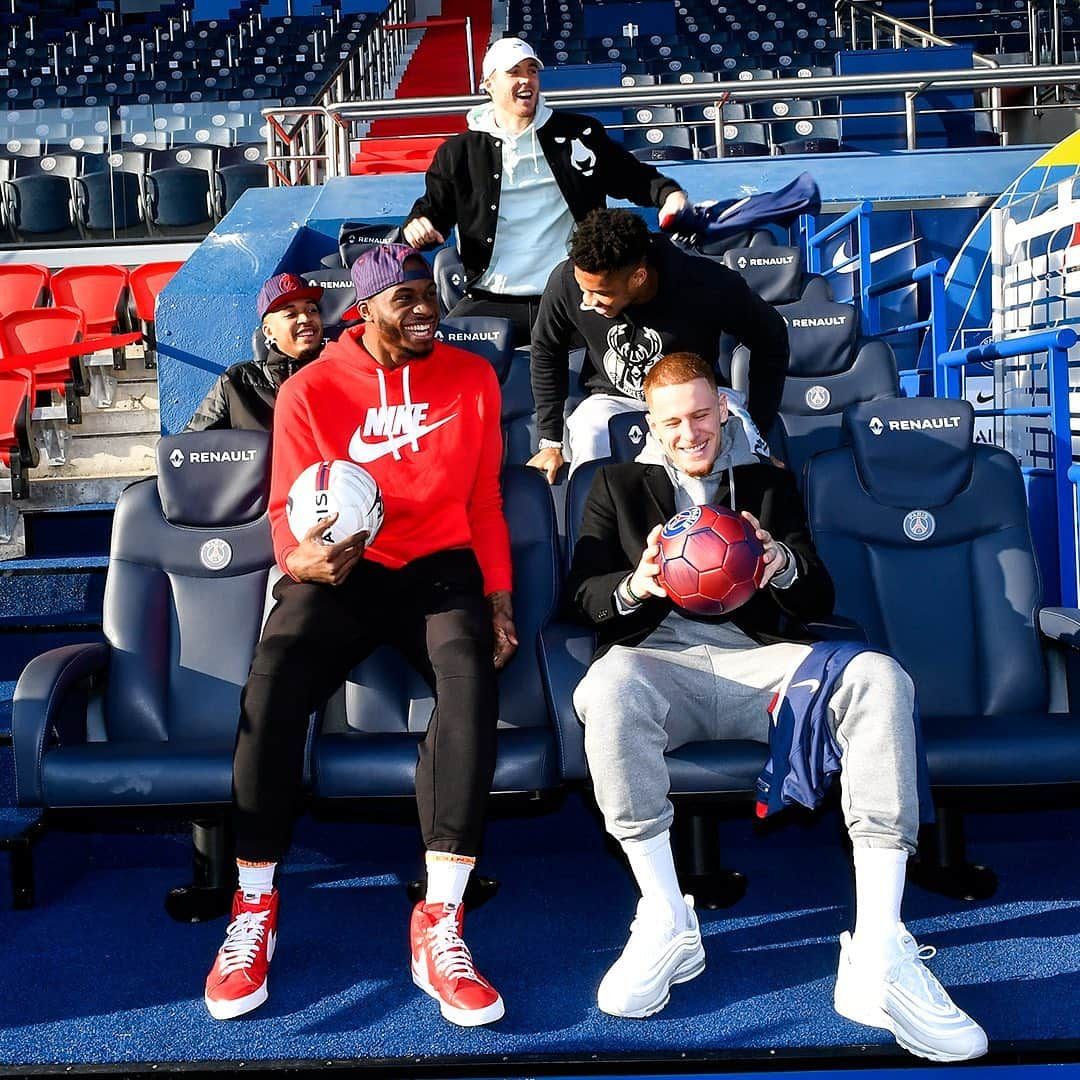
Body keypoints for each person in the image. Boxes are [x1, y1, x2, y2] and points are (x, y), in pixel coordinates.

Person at [564, 351, 988, 1062]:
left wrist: (782, 564)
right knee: (604, 687)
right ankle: (668, 918)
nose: (689, 431)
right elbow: (580, 595)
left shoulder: (764, 483)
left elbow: (817, 596)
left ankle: (879, 947)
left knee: (881, 678)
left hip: (763, 661)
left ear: (723, 409)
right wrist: (636, 586)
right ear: (651, 424)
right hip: (661, 658)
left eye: (701, 414)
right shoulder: (614, 484)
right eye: (671, 421)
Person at [203, 244, 518, 1029]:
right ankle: (253, 907)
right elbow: (287, 509)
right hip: (345, 569)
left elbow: (482, 500)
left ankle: (438, 921)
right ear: (365, 309)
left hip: (438, 568)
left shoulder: (473, 378)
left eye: (431, 297)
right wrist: (298, 557)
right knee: (272, 680)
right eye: (405, 298)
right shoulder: (311, 388)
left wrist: (500, 596)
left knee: (471, 679)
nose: (425, 310)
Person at [402, 37, 689, 346]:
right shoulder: (458, 152)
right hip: (492, 297)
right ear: (489, 84)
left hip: (574, 294)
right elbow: (434, 210)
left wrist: (670, 195)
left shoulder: (579, 133)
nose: (526, 79)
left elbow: (634, 177)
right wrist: (418, 223)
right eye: (514, 72)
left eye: (532, 71)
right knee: (446, 360)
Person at [527, 208, 790, 482]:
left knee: (748, 447)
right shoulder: (567, 279)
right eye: (583, 288)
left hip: (694, 397)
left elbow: (770, 337)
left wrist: (759, 424)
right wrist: (550, 441)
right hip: (614, 399)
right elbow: (547, 350)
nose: (587, 301)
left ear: (638, 277)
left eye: (600, 293)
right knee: (589, 427)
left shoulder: (705, 282)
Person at [187, 272, 325, 432]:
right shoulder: (236, 382)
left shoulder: (340, 373)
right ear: (268, 331)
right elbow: (190, 447)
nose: (305, 319)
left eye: (312, 310)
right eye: (291, 314)